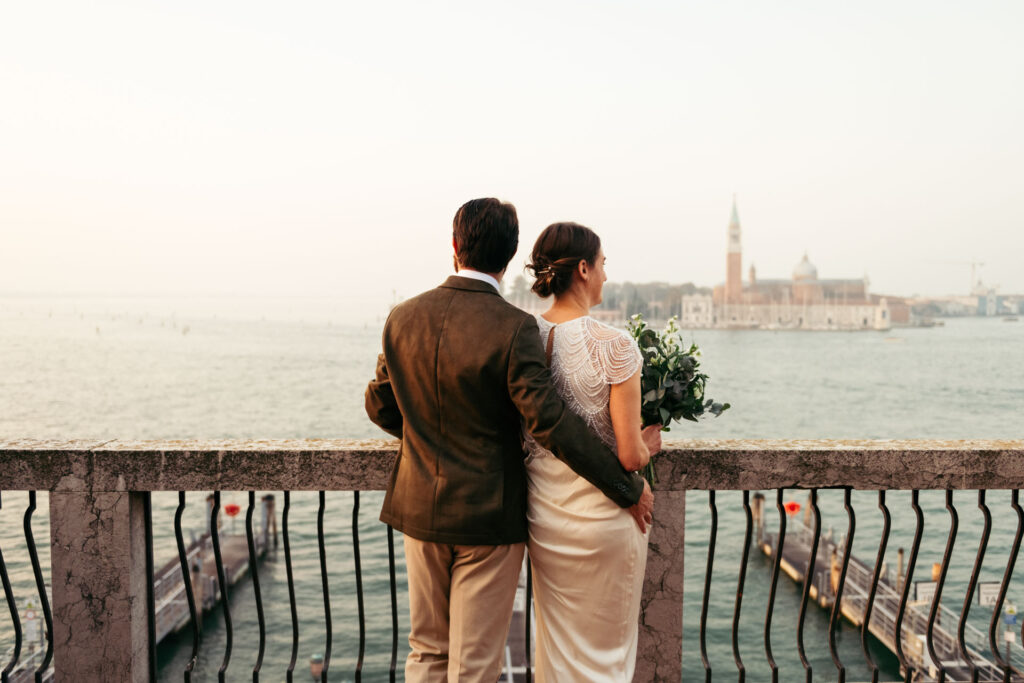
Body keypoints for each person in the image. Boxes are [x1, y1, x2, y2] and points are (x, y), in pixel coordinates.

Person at [364, 198, 655, 683]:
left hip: (419, 510)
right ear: (508, 257)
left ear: (455, 247)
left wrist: (435, 438)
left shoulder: (402, 317)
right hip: (488, 519)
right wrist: (627, 488)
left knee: (426, 653)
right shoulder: (513, 326)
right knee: (474, 666)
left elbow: (380, 406)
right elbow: (549, 423)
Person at [524, 221, 662, 682]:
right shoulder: (614, 346)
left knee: (557, 658)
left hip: (544, 521)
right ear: (583, 269)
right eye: (602, 264)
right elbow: (628, 455)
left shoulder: (526, 340)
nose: (606, 274)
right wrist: (648, 445)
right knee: (607, 663)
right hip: (605, 524)